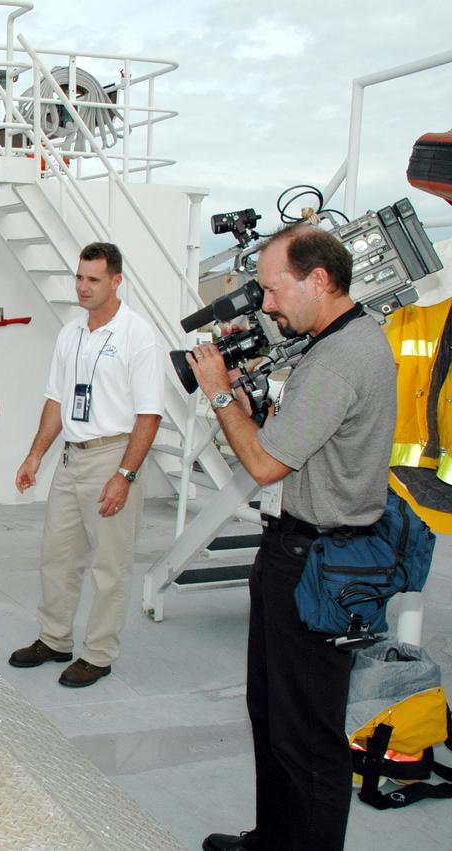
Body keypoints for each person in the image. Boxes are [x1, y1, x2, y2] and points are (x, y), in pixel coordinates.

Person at [190, 225, 396, 851]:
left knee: (306, 733)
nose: (268, 305)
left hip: (316, 562)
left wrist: (219, 391)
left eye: (274, 290)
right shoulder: (335, 342)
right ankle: (274, 839)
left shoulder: (337, 360)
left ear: (319, 280)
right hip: (301, 549)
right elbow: (288, 440)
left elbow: (262, 464)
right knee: (274, 713)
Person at [8, 242, 163, 688]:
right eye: (79, 277)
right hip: (71, 457)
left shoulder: (138, 335)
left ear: (116, 281)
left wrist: (125, 475)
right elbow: (56, 399)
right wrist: (35, 454)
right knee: (56, 557)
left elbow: (149, 414)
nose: (83, 287)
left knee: (109, 566)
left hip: (113, 455)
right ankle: (54, 639)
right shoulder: (71, 333)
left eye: (93, 279)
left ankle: (98, 653)